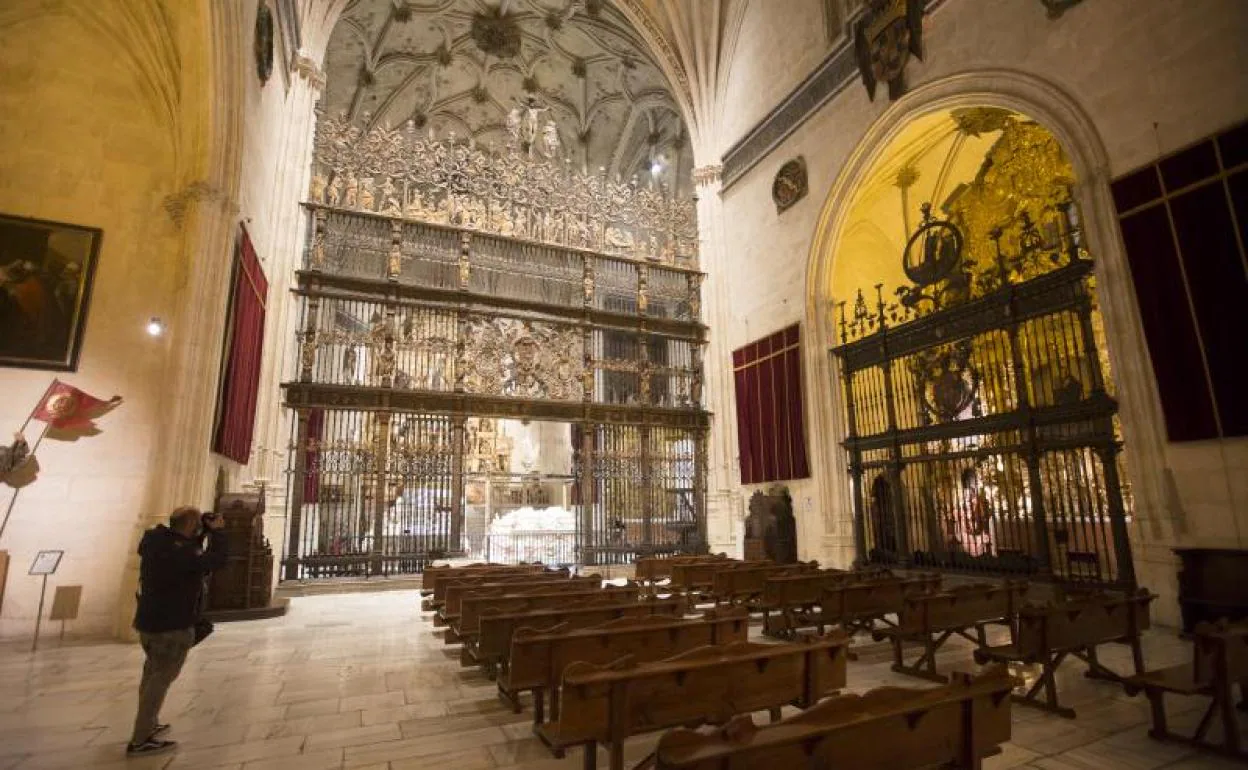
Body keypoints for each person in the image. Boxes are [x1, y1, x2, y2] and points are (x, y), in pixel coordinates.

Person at [127, 506, 227, 756]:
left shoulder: (154, 542)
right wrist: (218, 534)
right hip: (171, 624)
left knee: (151, 675)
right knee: (160, 680)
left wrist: (199, 533)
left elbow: (184, 549)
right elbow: (216, 561)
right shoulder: (182, 553)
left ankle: (149, 723)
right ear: (191, 524)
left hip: (148, 622)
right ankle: (141, 738)